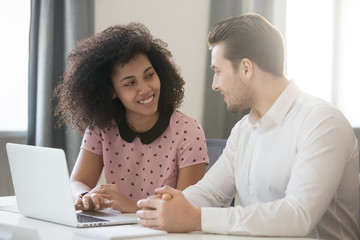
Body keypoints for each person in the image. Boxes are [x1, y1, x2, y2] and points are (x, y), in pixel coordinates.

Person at [136, 13, 360, 239]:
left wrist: (196, 218)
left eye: (218, 71)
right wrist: (168, 205)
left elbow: (298, 215)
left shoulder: (321, 122)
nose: (215, 85)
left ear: (245, 69)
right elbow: (211, 192)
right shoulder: (244, 129)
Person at [53, 23, 209, 213]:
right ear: (111, 91)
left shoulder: (188, 130)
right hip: (115, 230)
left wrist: (130, 205)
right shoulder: (101, 127)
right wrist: (86, 196)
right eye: (130, 83)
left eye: (149, 75)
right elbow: (78, 182)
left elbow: (187, 207)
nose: (145, 89)